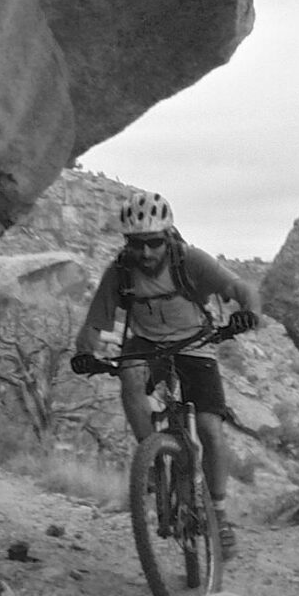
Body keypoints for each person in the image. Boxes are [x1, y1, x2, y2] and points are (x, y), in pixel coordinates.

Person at [70, 191, 262, 558]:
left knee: (209, 427)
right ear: (127, 242)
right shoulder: (121, 270)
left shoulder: (191, 262)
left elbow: (242, 288)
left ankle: (218, 514)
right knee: (128, 374)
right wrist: (84, 353)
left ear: (169, 237)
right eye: (136, 244)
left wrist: (249, 313)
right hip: (146, 345)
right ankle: (154, 460)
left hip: (194, 342)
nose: (145, 253)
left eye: (153, 243)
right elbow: (94, 322)